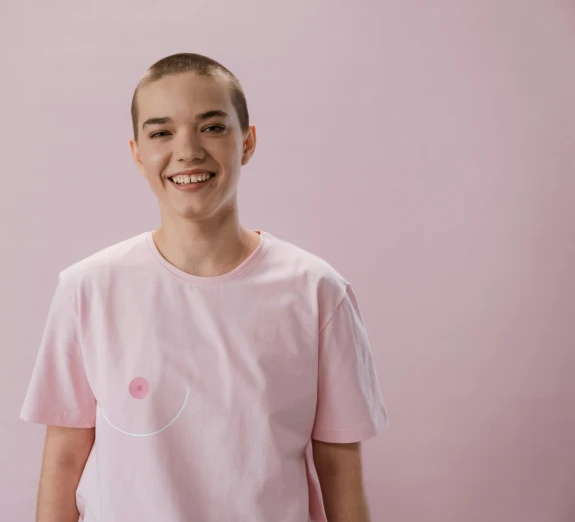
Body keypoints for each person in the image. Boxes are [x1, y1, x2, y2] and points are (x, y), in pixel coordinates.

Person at [20, 52, 389, 522]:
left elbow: (338, 468)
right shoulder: (87, 290)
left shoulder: (317, 292)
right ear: (137, 152)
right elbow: (65, 456)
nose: (188, 150)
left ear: (248, 142)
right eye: (161, 133)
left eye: (212, 127)